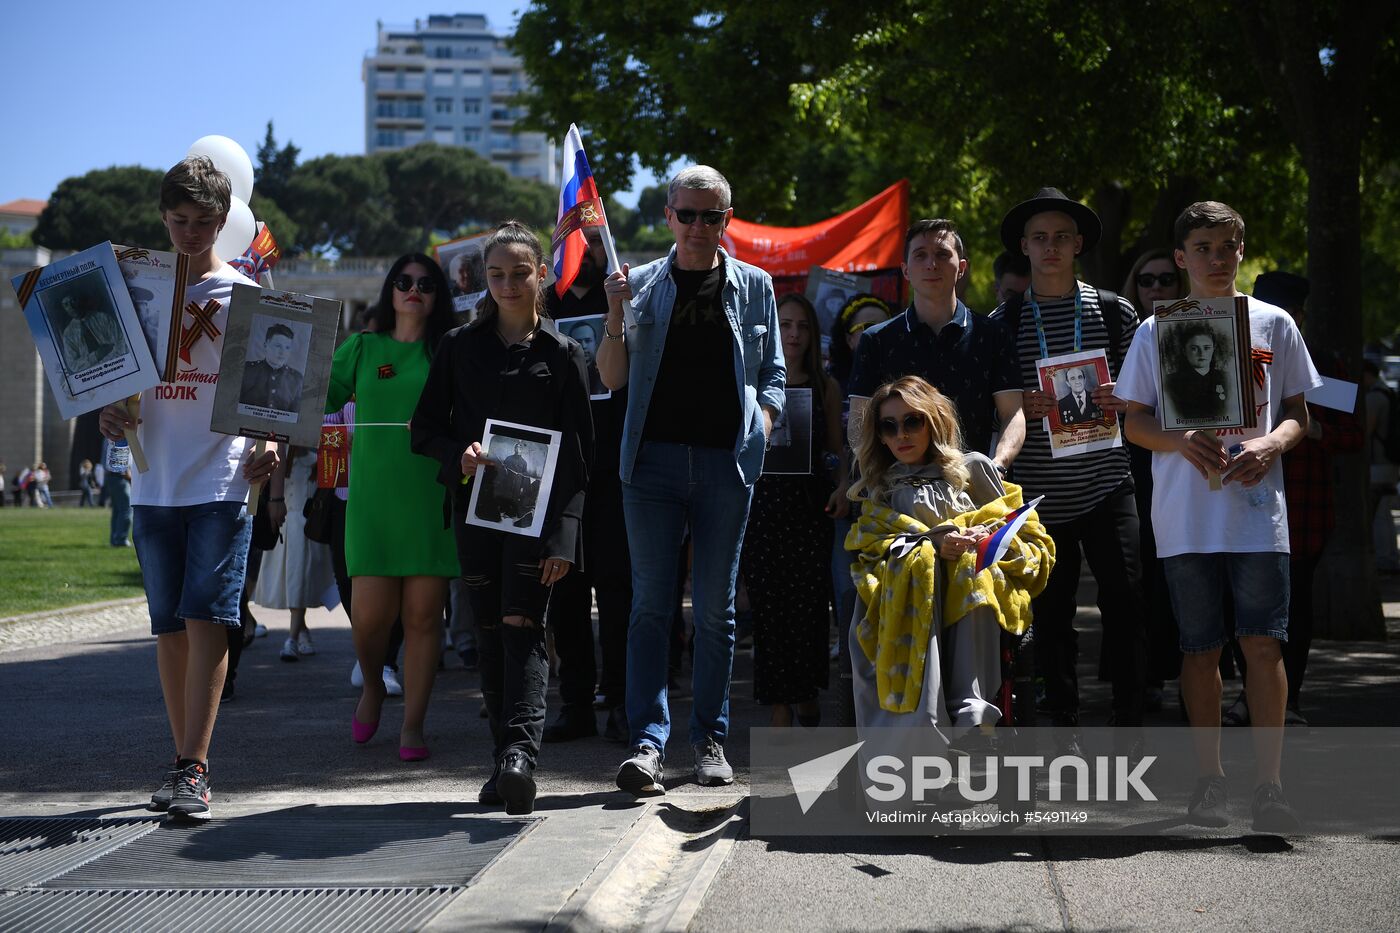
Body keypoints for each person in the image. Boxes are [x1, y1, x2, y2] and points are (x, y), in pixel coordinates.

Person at [1118, 200, 1320, 832]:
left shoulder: (1274, 323)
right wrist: (1179, 440)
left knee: (1263, 645)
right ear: (1181, 258)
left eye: (1225, 246)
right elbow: (1135, 420)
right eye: (1200, 247)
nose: (1214, 258)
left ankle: (1270, 786)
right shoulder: (1158, 330)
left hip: (1259, 514)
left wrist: (1271, 443)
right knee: (1199, 649)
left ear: (1241, 250)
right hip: (1186, 516)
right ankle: (1209, 780)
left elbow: (1298, 413)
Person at [98, 155, 280, 822]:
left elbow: (271, 398)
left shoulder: (244, 296)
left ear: (224, 220)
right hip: (151, 478)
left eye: (204, 222)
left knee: (209, 615)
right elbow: (110, 387)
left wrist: (269, 444)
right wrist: (110, 413)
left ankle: (193, 766)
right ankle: (180, 760)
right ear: (162, 216)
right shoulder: (134, 293)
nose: (190, 233)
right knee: (168, 623)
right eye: (179, 221)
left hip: (221, 479)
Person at [597, 165, 785, 796]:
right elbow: (613, 379)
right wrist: (613, 312)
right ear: (669, 215)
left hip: (726, 465)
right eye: (688, 214)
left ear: (728, 220)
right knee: (649, 608)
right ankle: (648, 743)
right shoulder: (641, 284)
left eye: (713, 215)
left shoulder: (756, 286)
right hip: (648, 465)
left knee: (715, 611)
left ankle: (709, 738)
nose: (699, 226)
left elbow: (777, 375)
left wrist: (762, 415)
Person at [413, 220, 594, 815]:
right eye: (496, 275)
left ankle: (520, 756)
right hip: (474, 511)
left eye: (520, 273)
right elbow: (425, 431)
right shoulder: (457, 347)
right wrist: (457, 455)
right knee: (488, 631)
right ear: (482, 279)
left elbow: (579, 456)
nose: (508, 284)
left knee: (522, 625)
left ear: (542, 274)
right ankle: (501, 761)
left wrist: (564, 536)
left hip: (537, 522)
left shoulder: (565, 355)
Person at [989, 187, 1147, 749]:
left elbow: (1146, 395)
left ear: (1078, 245)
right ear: (1025, 249)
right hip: (1038, 493)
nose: (1051, 247)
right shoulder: (1002, 322)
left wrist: (1121, 397)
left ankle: (1130, 718)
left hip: (1107, 483)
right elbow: (993, 404)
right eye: (1040, 238)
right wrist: (1018, 406)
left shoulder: (1114, 310)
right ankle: (1064, 723)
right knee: (1051, 615)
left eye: (1061, 237)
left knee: (1127, 599)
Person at [846, 377, 1052, 764]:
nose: (901, 434)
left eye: (912, 421)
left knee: (970, 569)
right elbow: (869, 546)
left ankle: (971, 712)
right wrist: (932, 546)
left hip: (970, 587)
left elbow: (1022, 530)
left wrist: (980, 534)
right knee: (919, 574)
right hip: (905, 594)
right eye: (888, 426)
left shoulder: (972, 469)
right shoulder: (880, 486)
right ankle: (924, 731)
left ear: (934, 421)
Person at [325, 253, 458, 764]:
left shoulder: (450, 349)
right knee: (369, 620)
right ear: (390, 289)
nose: (414, 289)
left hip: (429, 496)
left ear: (437, 294)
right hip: (372, 502)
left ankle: (414, 724)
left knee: (425, 617)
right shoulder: (362, 347)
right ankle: (375, 685)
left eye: (426, 283)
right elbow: (318, 396)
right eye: (403, 281)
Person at [544, 225, 632, 743]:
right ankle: (575, 703)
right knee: (567, 592)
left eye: (597, 243)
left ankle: (621, 701)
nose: (588, 251)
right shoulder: (542, 304)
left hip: (617, 468)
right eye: (579, 242)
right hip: (560, 470)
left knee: (619, 590)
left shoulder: (628, 298)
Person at [848, 219, 1025, 471]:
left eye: (942, 254)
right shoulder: (876, 340)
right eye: (920, 255)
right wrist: (880, 479)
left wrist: (997, 465)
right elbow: (859, 424)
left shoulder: (994, 335)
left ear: (961, 267)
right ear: (906, 270)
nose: (932, 264)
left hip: (973, 489)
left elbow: (1013, 413)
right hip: (896, 491)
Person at [740, 294, 841, 727]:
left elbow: (837, 449)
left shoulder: (826, 386)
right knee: (769, 611)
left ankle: (806, 692)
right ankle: (779, 705)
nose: (794, 333)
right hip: (761, 509)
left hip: (810, 510)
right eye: (785, 325)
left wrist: (841, 486)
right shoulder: (752, 384)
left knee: (809, 609)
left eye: (802, 325)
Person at [253, 447, 336, 662]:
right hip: (287, 527)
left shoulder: (317, 460)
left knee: (300, 581)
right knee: (293, 583)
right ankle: (300, 629)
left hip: (308, 529)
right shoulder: (282, 462)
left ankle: (292, 637)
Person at [1363, 359, 1400, 571]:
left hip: (1378, 463)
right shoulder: (1388, 393)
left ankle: (1386, 559)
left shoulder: (1375, 397)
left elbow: (1366, 430)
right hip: (1389, 463)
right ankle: (1390, 557)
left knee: (1379, 515)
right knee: (1384, 513)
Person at [1164, 322, 1230, 421]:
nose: (1201, 353)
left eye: (1206, 348)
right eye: (1194, 348)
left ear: (1213, 348)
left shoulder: (1226, 379)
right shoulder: (1170, 382)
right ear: (1184, 350)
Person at [241, 323, 305, 413]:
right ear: (266, 345)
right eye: (278, 346)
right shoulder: (247, 370)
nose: (283, 352)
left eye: (287, 347)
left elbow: (295, 416)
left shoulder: (297, 379)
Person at [60, 294, 126, 372]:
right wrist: (96, 356)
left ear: (80, 300)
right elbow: (73, 365)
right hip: (92, 374)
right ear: (64, 309)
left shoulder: (102, 318)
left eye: (73, 301)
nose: (71, 307)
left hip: (116, 364)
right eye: (66, 304)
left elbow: (122, 342)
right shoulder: (68, 334)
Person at [1121, 248, 1186, 322]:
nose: (1156, 287)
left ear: (1180, 284)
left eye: (1166, 279)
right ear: (1135, 286)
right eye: (1147, 280)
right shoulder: (1118, 328)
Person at [101, 439, 133, 546]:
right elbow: (120, 466)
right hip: (120, 477)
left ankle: (114, 539)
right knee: (126, 509)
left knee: (117, 510)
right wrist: (131, 478)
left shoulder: (108, 436)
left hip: (111, 477)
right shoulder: (119, 434)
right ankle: (121, 539)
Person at [567, 321, 607, 396]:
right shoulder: (565, 378)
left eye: (588, 341)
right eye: (578, 341)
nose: (584, 346)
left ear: (596, 344)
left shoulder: (605, 376)